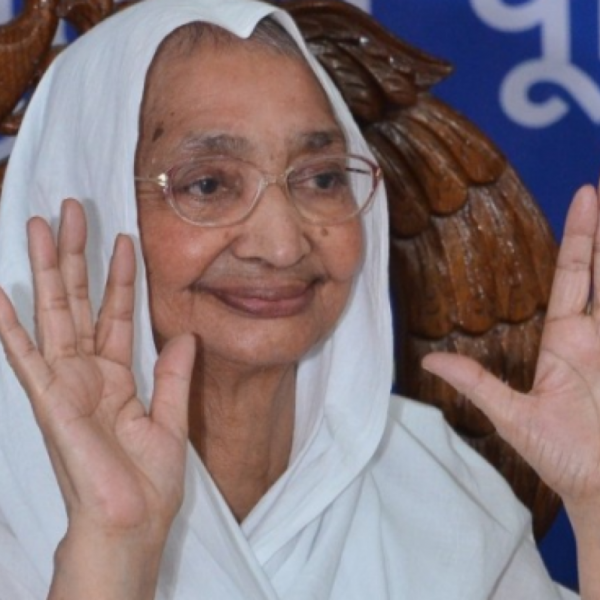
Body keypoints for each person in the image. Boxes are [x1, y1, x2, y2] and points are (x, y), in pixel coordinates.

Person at [0, 0, 594, 597]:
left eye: (322, 178)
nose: (282, 245)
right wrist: (112, 546)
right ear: (91, 200)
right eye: (208, 184)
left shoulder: (429, 484)